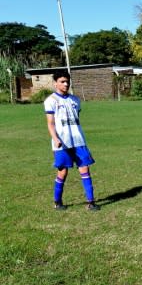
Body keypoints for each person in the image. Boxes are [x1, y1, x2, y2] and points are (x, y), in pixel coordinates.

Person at [44, 70, 100, 211]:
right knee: (62, 172)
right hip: (62, 143)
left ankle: (91, 202)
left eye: (67, 81)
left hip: (78, 141)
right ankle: (57, 201)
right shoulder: (51, 101)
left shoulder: (75, 100)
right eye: (62, 81)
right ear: (55, 83)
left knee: (85, 169)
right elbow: (50, 123)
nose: (66, 84)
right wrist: (55, 138)